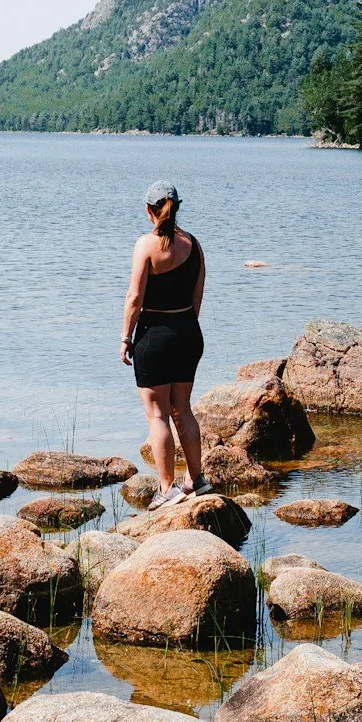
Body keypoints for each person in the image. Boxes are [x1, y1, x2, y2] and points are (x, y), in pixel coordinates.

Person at [121, 180, 209, 505]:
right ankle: (197, 480)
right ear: (177, 206)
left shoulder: (146, 245)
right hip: (187, 332)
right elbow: (197, 296)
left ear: (149, 210)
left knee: (157, 414)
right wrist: (184, 328)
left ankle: (166, 488)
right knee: (183, 409)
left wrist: (125, 338)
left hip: (154, 336)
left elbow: (134, 298)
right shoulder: (195, 245)